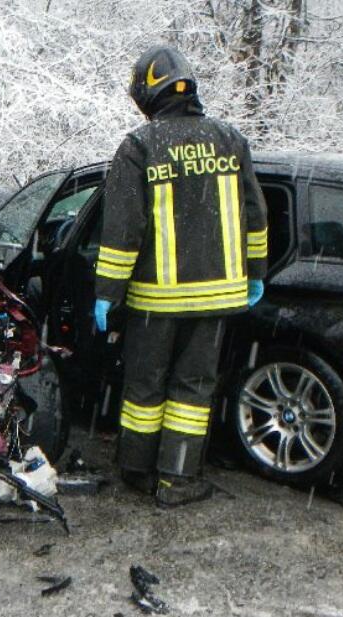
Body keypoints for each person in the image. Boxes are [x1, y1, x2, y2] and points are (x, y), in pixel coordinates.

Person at [94, 45, 268, 507]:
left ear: (147, 95)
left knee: (145, 387)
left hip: (157, 300)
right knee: (193, 391)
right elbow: (255, 214)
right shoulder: (231, 141)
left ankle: (136, 469)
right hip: (217, 299)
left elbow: (123, 229)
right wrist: (256, 274)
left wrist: (107, 293)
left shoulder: (140, 146)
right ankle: (178, 481)